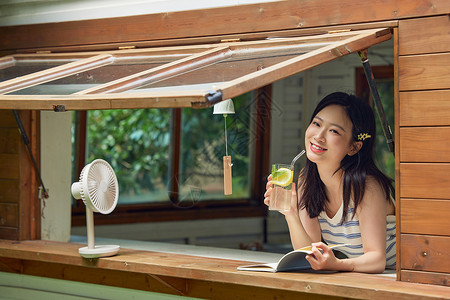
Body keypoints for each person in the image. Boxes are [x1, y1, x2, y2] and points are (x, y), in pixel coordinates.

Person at [264, 92, 396, 273]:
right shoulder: (306, 180)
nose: (318, 136)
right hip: (362, 278)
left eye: (334, 131)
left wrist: (336, 264)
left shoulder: (367, 186)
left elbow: (377, 259)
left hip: (405, 277)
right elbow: (309, 253)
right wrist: (290, 213)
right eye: (316, 123)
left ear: (354, 146)